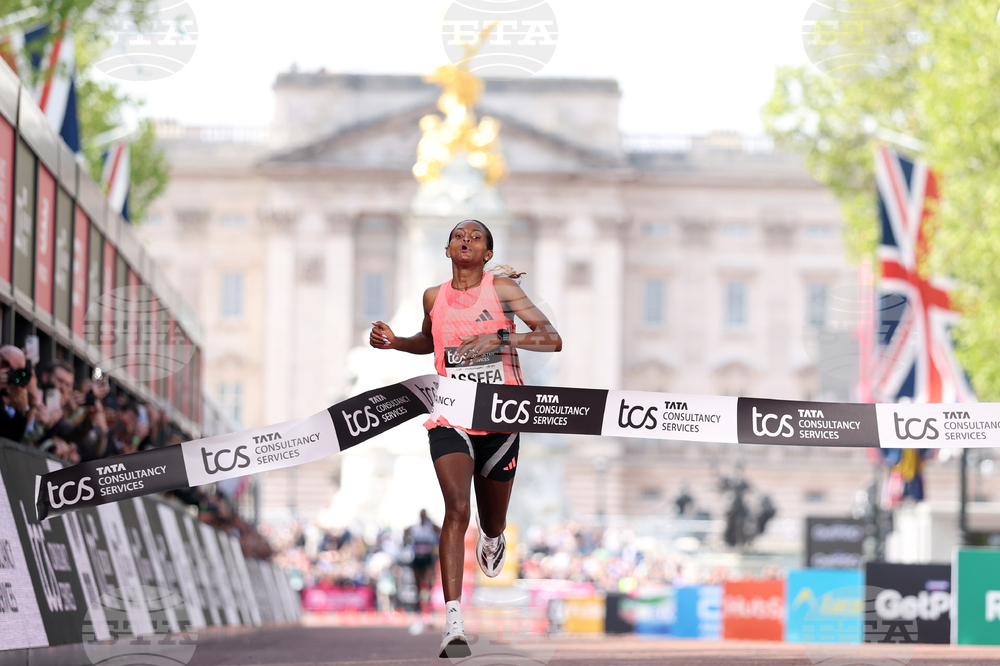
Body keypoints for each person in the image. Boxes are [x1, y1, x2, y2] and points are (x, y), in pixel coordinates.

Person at [370, 219, 561, 657]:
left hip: (500, 414)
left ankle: (493, 537)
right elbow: (429, 340)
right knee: (457, 508)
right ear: (447, 249)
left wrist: (499, 337)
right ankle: (453, 622)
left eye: (476, 237)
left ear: (487, 254)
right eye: (459, 235)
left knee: (491, 520)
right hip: (450, 413)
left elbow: (552, 339)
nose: (466, 240)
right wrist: (396, 342)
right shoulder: (433, 296)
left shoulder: (503, 290)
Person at [404, 509, 441, 634]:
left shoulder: (431, 526)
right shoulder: (414, 527)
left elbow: (441, 531)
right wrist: (406, 542)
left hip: (428, 559)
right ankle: (419, 616)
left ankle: (429, 615)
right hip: (417, 558)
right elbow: (406, 533)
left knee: (428, 586)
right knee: (417, 588)